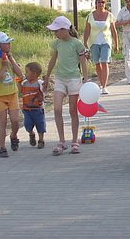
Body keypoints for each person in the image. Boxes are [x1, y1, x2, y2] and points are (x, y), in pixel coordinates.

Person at [43, 16, 88, 155]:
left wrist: (86, 79)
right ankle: (62, 141)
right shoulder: (57, 43)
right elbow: (53, 60)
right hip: (60, 78)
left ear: (65, 30)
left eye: (56, 30)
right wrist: (47, 76)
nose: (55, 33)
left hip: (74, 78)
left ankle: (74, 141)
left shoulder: (77, 43)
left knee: (73, 110)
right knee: (57, 109)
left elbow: (83, 62)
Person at [0, 32, 23, 157]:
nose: (9, 45)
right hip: (0, 96)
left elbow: (20, 74)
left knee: (15, 120)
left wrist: (11, 59)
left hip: (12, 94)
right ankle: (2, 147)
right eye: (6, 43)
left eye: (9, 43)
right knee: (2, 121)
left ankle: (13, 135)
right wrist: (3, 67)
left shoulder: (9, 58)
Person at [83, 0, 119, 94]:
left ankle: (104, 86)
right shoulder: (90, 16)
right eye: (99, 2)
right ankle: (101, 83)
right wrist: (85, 42)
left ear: (105, 4)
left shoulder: (109, 15)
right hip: (94, 42)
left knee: (105, 62)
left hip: (106, 41)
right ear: (96, 3)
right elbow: (87, 30)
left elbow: (113, 30)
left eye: (103, 2)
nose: (101, 4)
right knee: (97, 63)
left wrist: (116, 44)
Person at [17, 62, 46, 149]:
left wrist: (46, 83)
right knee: (27, 124)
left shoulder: (39, 83)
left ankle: (41, 140)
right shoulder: (25, 83)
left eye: (27, 72)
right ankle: (31, 133)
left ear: (34, 74)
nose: (25, 74)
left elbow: (44, 90)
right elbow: (20, 91)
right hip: (27, 109)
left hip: (38, 109)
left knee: (40, 124)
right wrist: (19, 82)